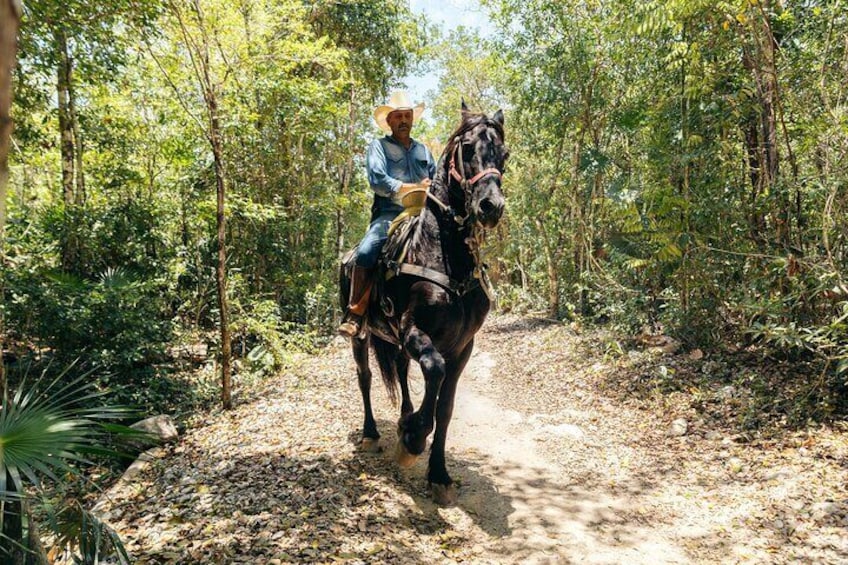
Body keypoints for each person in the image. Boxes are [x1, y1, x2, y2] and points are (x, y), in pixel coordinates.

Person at [338, 91, 436, 338]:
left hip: (424, 212)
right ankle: (356, 312)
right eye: (398, 116)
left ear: (412, 119)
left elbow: (437, 181)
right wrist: (405, 187)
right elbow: (377, 179)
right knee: (367, 250)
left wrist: (431, 185)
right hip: (391, 214)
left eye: (407, 115)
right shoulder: (378, 147)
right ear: (389, 121)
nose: (403, 120)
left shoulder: (424, 150)